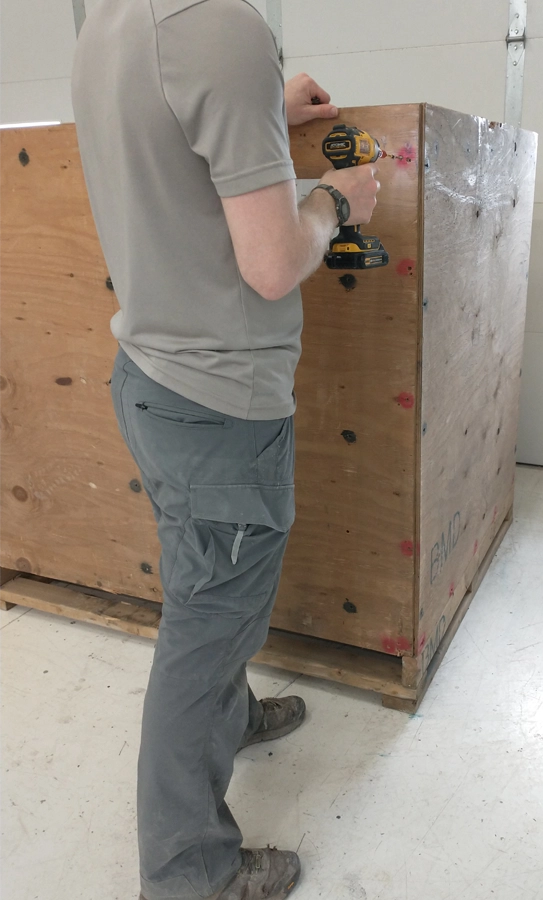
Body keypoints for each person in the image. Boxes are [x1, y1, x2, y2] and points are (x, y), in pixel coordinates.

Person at [71, 1, 379, 898]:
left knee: (208, 592)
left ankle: (230, 715)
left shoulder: (112, 21)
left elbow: (158, 135)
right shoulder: (222, 26)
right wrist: (336, 199)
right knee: (208, 627)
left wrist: (257, 111)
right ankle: (189, 874)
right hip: (221, 403)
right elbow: (275, 264)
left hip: (152, 377)